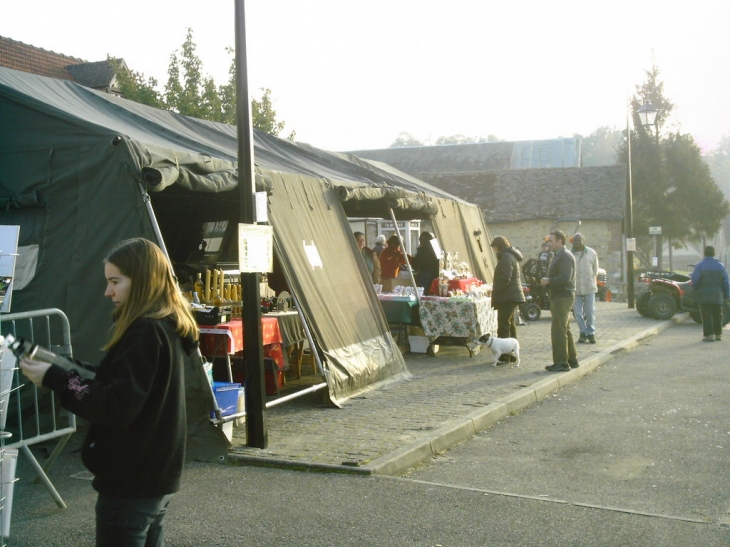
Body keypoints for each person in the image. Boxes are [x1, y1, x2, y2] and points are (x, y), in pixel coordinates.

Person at [20, 238, 199, 547]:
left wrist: (56, 379)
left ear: (142, 281)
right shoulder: (163, 326)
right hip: (153, 478)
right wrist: (60, 366)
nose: (107, 292)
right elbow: (117, 381)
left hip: (131, 483)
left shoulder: (145, 331)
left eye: (115, 281)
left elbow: (115, 405)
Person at [541, 230, 578, 372]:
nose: (548, 243)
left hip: (563, 296)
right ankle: (572, 359)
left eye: (551, 241)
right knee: (564, 328)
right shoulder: (559, 255)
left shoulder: (565, 256)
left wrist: (548, 281)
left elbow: (565, 278)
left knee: (558, 329)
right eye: (548, 241)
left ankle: (561, 363)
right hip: (559, 295)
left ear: (559, 241)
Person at [490, 236, 526, 363]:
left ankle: (505, 355)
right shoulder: (511, 256)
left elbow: (505, 278)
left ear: (498, 247)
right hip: (511, 296)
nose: (494, 251)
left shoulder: (505, 258)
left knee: (504, 326)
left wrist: (497, 291)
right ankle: (511, 353)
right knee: (510, 325)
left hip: (507, 296)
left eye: (494, 248)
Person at [690, 245, 730, 342]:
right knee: (717, 314)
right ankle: (718, 334)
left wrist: (695, 290)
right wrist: (727, 295)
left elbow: (694, 280)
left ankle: (709, 335)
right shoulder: (720, 266)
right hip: (718, 295)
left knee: (706, 314)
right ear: (714, 253)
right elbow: (726, 282)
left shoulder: (700, 265)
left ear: (705, 253)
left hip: (704, 294)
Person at [571, 233, 599, 344]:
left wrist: (590, 280)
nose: (576, 242)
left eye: (579, 240)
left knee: (590, 311)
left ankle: (591, 333)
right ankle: (582, 332)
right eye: (574, 241)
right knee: (577, 312)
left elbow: (595, 270)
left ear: (583, 241)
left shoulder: (591, 253)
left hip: (589, 287)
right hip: (576, 288)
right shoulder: (569, 254)